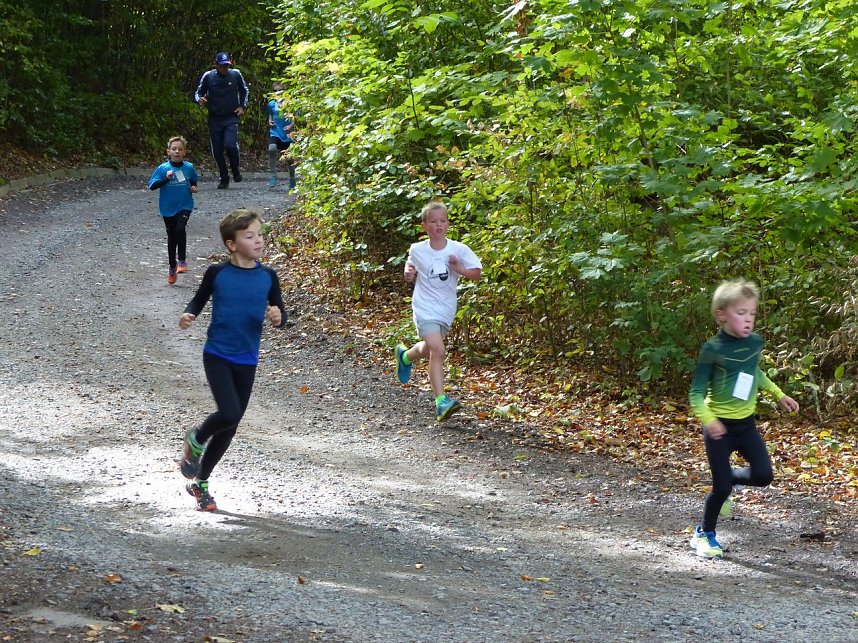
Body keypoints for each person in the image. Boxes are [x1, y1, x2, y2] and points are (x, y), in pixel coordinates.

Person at [177, 208, 287, 511]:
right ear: (231, 244)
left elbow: (281, 311)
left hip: (247, 357)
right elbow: (199, 299)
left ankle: (200, 483)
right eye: (249, 236)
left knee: (232, 423)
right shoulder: (217, 273)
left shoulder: (268, 276)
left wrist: (279, 317)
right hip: (217, 354)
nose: (258, 240)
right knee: (228, 412)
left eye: (260, 235)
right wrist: (190, 314)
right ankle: (195, 439)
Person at [688, 279, 799, 558]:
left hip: (746, 425)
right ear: (722, 314)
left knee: (764, 475)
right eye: (741, 313)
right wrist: (709, 419)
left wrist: (778, 395)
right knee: (720, 487)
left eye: (751, 313)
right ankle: (704, 534)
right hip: (719, 429)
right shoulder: (712, 349)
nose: (748, 319)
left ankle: (734, 478)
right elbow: (696, 393)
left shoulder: (754, 343)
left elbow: (755, 373)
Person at [394, 200, 482, 421]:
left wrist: (459, 269)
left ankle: (405, 357)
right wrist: (408, 272)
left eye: (442, 221)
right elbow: (410, 263)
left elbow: (477, 273)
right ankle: (441, 402)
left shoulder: (458, 249)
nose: (438, 225)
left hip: (445, 309)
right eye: (433, 222)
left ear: (448, 224)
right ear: (424, 226)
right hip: (424, 307)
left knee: (430, 349)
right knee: (439, 351)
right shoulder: (418, 249)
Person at [147, 135, 198, 285]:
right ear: (168, 151)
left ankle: (182, 260)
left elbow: (193, 179)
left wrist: (193, 187)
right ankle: (172, 266)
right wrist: (166, 179)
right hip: (167, 207)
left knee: (180, 229)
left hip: (185, 205)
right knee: (171, 236)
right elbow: (152, 186)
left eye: (180, 149)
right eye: (174, 149)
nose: (177, 152)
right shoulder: (163, 168)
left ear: (184, 152)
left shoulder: (188, 167)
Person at [194, 52, 249, 190]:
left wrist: (242, 106)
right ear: (216, 65)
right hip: (215, 118)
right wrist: (200, 99)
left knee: (230, 145)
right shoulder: (209, 76)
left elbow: (244, 91)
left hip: (231, 117)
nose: (225, 68)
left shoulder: (235, 74)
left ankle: (235, 169)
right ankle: (224, 178)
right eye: (222, 66)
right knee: (217, 151)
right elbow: (198, 93)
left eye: (227, 65)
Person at [267, 81, 297, 189]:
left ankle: (292, 178)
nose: (277, 92)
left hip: (287, 134)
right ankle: (273, 175)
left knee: (289, 158)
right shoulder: (271, 103)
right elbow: (270, 116)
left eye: (280, 90)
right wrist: (270, 122)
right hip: (275, 132)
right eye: (275, 91)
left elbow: (295, 117)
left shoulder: (290, 103)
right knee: (271, 149)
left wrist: (291, 126)